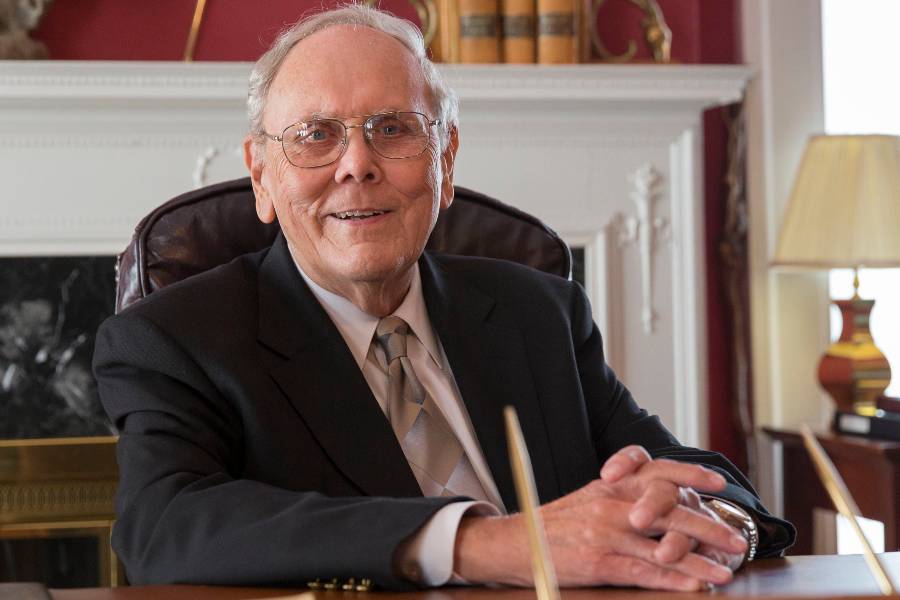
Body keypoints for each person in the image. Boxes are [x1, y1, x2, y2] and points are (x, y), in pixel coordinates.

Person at [93, 4, 794, 592]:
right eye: (315, 136)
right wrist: (486, 543)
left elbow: (683, 473)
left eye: (392, 128)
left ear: (446, 160)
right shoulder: (178, 337)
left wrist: (709, 519)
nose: (357, 164)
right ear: (262, 176)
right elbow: (164, 525)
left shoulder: (536, 313)